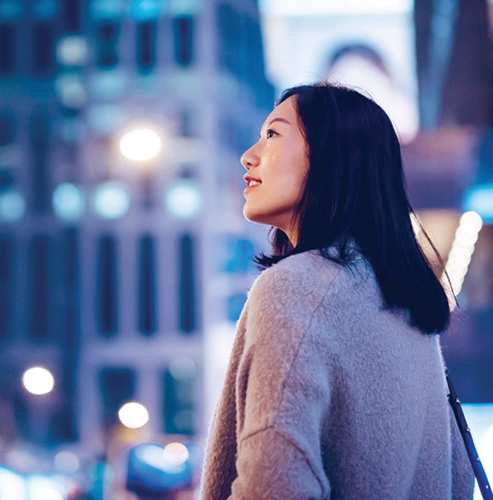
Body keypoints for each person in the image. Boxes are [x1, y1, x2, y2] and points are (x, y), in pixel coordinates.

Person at [200, 82, 474, 499]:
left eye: (273, 134)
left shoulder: (295, 288)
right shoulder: (410, 312)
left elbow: (273, 486)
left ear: (330, 156)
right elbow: (458, 478)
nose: (248, 156)